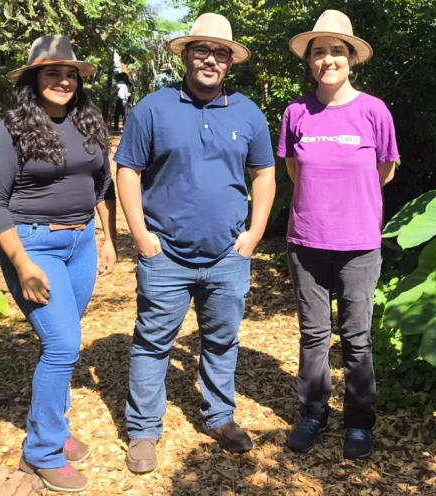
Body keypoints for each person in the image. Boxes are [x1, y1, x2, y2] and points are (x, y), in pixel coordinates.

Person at [113, 12, 276, 474]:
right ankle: (143, 430)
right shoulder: (153, 108)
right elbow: (128, 170)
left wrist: (255, 233)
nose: (209, 59)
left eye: (219, 53)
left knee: (221, 341)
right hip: (165, 254)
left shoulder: (246, 112)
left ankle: (220, 418)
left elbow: (264, 174)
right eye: (201, 50)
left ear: (229, 62)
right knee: (152, 342)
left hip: (228, 255)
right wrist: (141, 237)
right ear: (185, 56)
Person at [0, 35, 118, 492]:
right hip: (33, 245)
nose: (63, 80)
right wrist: (22, 265)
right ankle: (40, 453)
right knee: (63, 346)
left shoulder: (86, 120)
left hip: (80, 243)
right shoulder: (10, 128)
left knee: (62, 344)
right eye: (52, 72)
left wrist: (108, 239)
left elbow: (103, 185)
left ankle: (51, 429)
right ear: (33, 78)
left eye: (70, 74)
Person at [277, 10, 399, 460]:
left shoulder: (373, 111)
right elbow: (294, 169)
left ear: (352, 59)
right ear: (310, 61)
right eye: (319, 52)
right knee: (312, 334)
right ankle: (313, 413)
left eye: (336, 51)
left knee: (357, 336)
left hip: (359, 243)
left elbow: (383, 169)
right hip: (307, 241)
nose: (328, 59)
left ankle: (359, 423)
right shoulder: (296, 113)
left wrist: (352, 203)